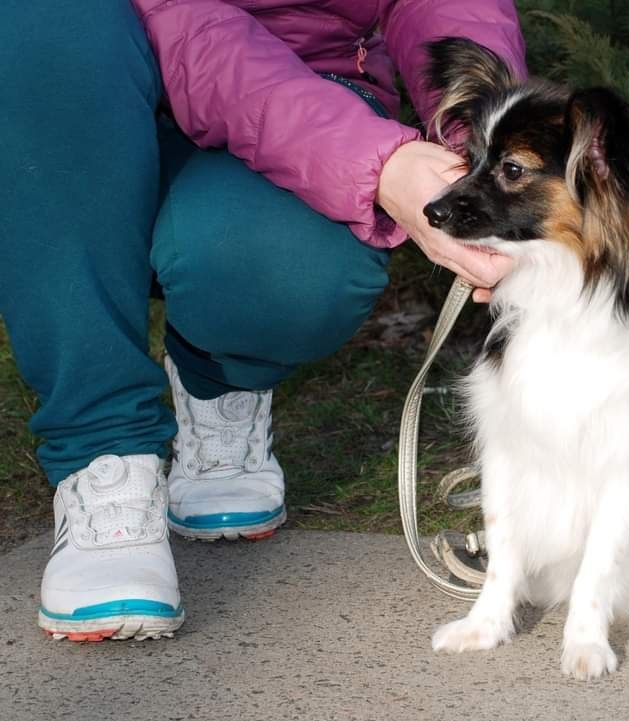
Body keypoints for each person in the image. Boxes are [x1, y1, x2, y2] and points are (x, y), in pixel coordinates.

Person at [0, 0, 525, 640]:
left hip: (300, 93)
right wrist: (381, 163)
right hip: (71, 100)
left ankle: (217, 380)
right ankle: (104, 458)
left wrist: (485, 145)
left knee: (296, 273)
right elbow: (191, 26)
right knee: (45, 19)